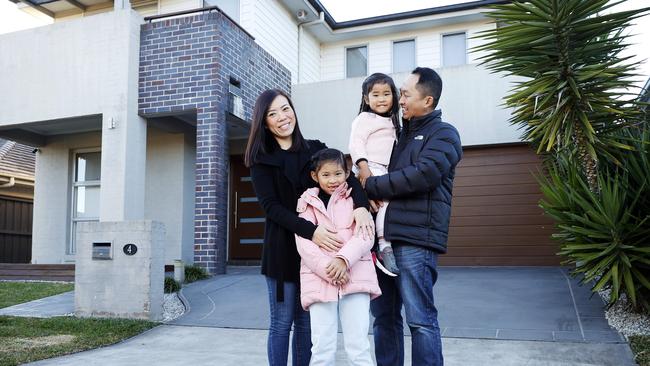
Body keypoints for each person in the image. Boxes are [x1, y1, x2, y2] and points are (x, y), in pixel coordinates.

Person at [244, 89, 375, 366]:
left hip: (319, 253)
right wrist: (310, 230)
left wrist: (361, 206)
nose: (282, 117)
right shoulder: (260, 160)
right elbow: (271, 207)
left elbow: (347, 180)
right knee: (281, 323)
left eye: (285, 108)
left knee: (307, 324)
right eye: (272, 113)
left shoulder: (315, 149)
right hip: (284, 249)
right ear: (264, 122)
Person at [364, 67, 463, 366]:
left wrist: (371, 185)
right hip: (382, 243)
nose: (399, 98)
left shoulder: (444, 134)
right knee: (384, 318)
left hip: (416, 241)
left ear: (428, 100)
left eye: (405, 93)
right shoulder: (397, 136)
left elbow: (422, 175)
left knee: (420, 320)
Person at [294, 148, 381, 366]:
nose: (333, 180)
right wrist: (329, 269)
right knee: (322, 348)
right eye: (326, 175)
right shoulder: (307, 203)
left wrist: (343, 260)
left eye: (338, 174)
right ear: (315, 176)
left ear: (347, 172)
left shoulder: (355, 200)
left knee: (358, 346)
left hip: (356, 276)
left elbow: (366, 235)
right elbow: (304, 243)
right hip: (319, 281)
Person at [348, 72, 401, 277]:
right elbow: (356, 142)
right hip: (369, 166)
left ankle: (378, 245)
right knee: (385, 200)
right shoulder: (365, 118)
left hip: (383, 169)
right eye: (376, 94)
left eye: (386, 94)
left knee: (384, 204)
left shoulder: (395, 123)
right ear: (366, 99)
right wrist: (363, 167)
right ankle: (383, 246)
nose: (381, 99)